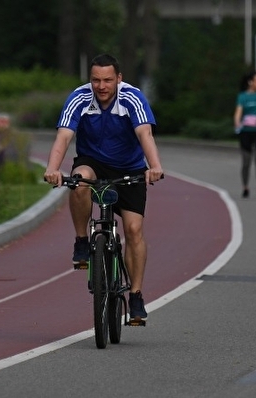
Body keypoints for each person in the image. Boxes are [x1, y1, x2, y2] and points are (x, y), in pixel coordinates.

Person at [44, 54, 164, 323]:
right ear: (90, 80)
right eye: (96, 80)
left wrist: (154, 166)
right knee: (78, 180)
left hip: (129, 168)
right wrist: (52, 169)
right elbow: (63, 137)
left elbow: (145, 134)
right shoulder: (79, 98)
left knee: (133, 230)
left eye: (108, 80)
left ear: (118, 79)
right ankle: (82, 242)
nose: (101, 86)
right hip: (93, 162)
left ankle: (135, 296)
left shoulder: (132, 98)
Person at [234, 71, 256, 200]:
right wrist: (237, 124)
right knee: (246, 162)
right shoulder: (242, 97)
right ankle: (245, 187)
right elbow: (238, 112)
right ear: (251, 82)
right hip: (246, 131)